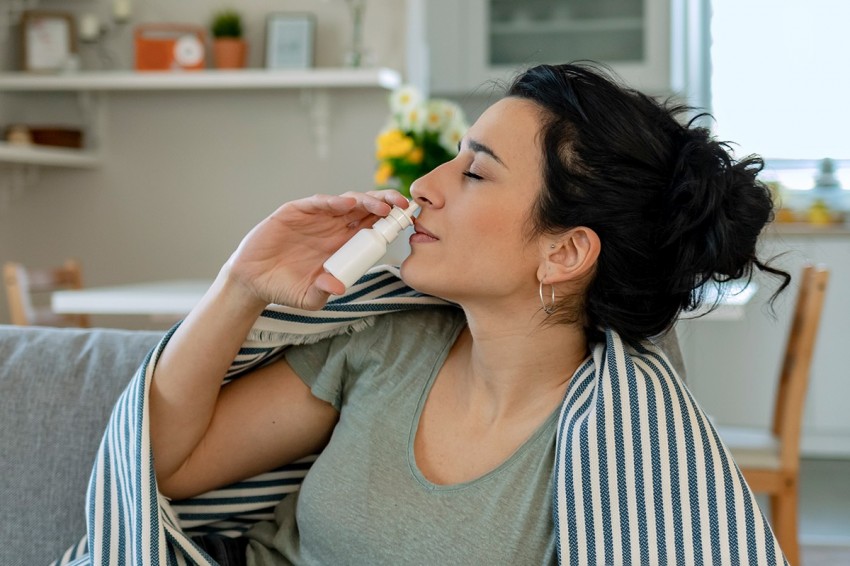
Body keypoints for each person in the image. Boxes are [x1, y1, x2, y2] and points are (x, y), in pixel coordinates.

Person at [147, 62, 789, 565]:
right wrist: (241, 284)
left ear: (564, 251)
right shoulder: (384, 342)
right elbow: (165, 469)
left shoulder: (620, 456)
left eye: (475, 172)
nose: (425, 184)